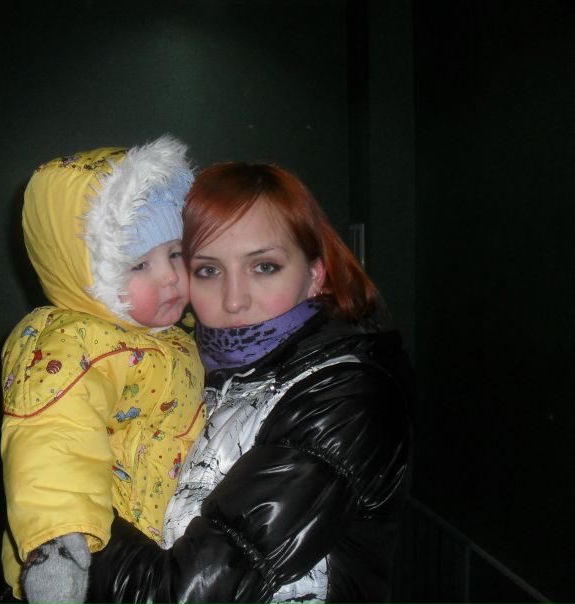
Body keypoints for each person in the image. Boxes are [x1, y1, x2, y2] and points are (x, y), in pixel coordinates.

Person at [84, 162, 413, 604]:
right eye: (208, 270)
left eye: (264, 266)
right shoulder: (193, 375)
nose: (234, 300)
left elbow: (187, 594)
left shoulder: (345, 397)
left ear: (315, 275)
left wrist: (63, 516)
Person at [0, 135, 206, 604]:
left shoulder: (173, 337)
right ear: (87, 276)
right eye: (140, 264)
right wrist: (59, 550)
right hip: (92, 570)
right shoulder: (70, 343)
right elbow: (53, 439)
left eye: (176, 253)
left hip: (157, 560)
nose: (170, 276)